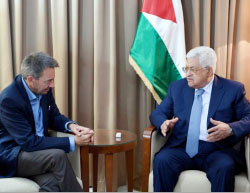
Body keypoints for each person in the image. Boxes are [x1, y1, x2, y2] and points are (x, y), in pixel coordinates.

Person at [150, 46, 250, 192]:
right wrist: (164, 123)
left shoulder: (232, 89)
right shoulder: (177, 87)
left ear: (209, 71)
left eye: (193, 69)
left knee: (224, 166)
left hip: (217, 150)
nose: (188, 74)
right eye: (186, 69)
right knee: (162, 160)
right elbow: (157, 114)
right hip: (182, 148)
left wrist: (230, 129)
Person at [0, 52, 94, 191]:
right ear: (30, 79)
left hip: (36, 155)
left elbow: (54, 116)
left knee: (52, 183)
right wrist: (73, 141)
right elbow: (29, 142)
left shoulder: (43, 89)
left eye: (53, 80)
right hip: (13, 156)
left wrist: (72, 126)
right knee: (57, 156)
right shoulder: (9, 99)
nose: (52, 85)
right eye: (48, 81)